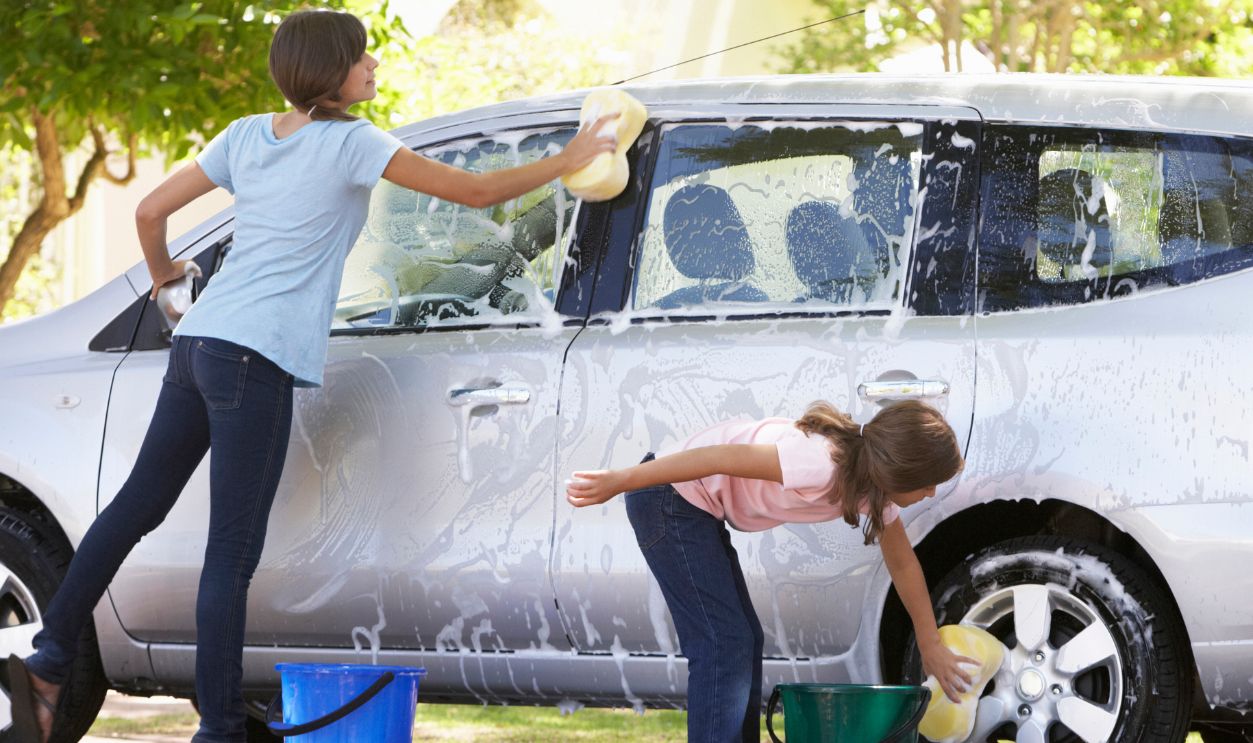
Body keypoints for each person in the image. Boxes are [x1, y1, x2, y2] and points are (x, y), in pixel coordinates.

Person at [4, 9, 618, 743]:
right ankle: (220, 725)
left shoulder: (248, 134)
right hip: (251, 359)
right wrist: (571, 155)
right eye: (363, 60)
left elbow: (147, 211)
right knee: (230, 551)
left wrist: (171, 278)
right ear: (332, 71)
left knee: (135, 507)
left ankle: (47, 660)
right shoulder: (354, 143)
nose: (374, 69)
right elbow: (476, 194)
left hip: (198, 344)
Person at [565, 399, 974, 743]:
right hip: (666, 497)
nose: (932, 493)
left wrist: (929, 641)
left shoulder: (870, 488)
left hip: (693, 507)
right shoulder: (821, 460)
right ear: (900, 471)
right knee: (723, 641)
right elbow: (716, 457)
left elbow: (903, 562)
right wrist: (623, 480)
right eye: (928, 483)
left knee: (741, 638)